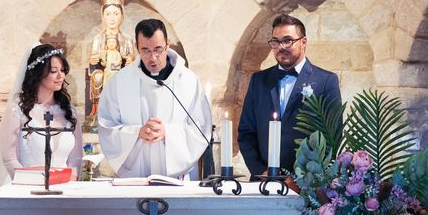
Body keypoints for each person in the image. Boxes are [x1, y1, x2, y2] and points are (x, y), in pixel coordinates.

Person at [97, 18, 212, 179]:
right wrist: (137, 132)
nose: (153, 58)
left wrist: (168, 132)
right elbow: (106, 126)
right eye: (145, 50)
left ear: (168, 45)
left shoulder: (189, 81)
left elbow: (201, 128)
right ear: (137, 48)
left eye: (158, 49)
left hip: (175, 180)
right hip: (133, 179)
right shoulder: (119, 81)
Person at [237, 14, 341, 179]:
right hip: (263, 182)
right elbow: (246, 133)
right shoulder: (258, 80)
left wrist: (302, 179)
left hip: (308, 186)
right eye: (275, 42)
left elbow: (332, 137)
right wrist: (261, 171)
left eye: (287, 40)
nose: (281, 47)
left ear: (303, 42)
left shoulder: (326, 81)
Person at [0, 43, 83, 194]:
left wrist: (69, 187)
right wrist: (32, 190)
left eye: (62, 70)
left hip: (65, 192)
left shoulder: (70, 112)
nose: (60, 76)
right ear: (38, 73)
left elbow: (76, 158)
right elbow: (9, 159)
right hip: (28, 192)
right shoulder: (17, 109)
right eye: (53, 71)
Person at [87, 0, 135, 118]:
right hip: (104, 71)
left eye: (116, 14)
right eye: (108, 14)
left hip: (121, 71)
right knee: (97, 77)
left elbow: (132, 57)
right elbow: (93, 59)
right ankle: (97, 110)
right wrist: (93, 59)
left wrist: (130, 59)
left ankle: (125, 110)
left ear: (122, 16)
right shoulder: (98, 38)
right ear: (103, 16)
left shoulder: (127, 39)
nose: (112, 18)